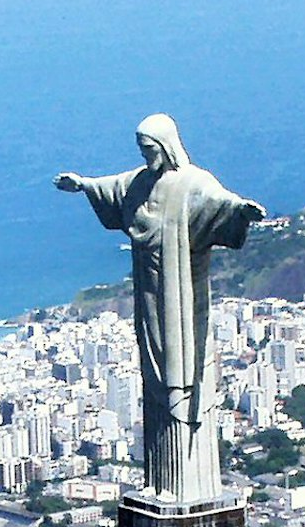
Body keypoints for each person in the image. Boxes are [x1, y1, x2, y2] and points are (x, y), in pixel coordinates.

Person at [56, 114, 264, 505]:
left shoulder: (192, 183)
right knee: (154, 382)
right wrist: (83, 185)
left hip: (181, 299)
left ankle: (189, 483)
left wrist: (241, 212)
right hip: (150, 297)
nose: (146, 156)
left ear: (167, 145)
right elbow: (111, 190)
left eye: (150, 149)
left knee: (180, 374)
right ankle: (160, 481)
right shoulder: (139, 183)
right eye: (142, 150)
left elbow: (219, 204)